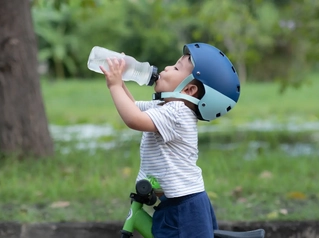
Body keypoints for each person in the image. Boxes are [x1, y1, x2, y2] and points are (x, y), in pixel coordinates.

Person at [100, 42, 240, 238]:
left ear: (188, 90)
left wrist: (115, 85)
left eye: (176, 68)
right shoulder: (163, 107)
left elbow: (133, 119)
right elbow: (131, 106)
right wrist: (120, 78)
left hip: (183, 209)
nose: (166, 68)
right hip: (180, 204)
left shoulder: (178, 113)